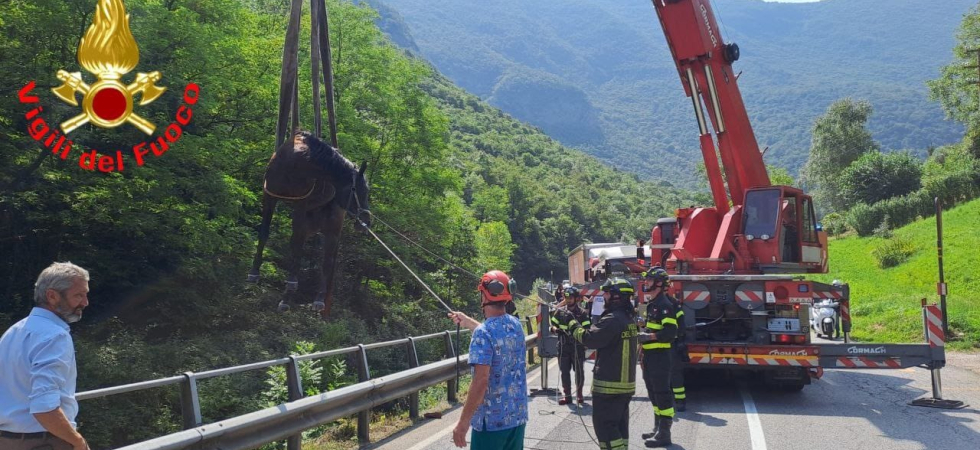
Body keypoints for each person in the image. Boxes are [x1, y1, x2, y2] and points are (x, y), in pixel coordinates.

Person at [0, 262, 91, 450]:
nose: (85, 302)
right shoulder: (55, 335)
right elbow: (44, 407)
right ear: (52, 296)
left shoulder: (13, 331)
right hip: (44, 442)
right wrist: (78, 442)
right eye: (78, 295)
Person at [555, 277, 639, 450]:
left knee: (605, 428)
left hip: (609, 386)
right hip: (625, 386)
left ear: (616, 296)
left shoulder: (612, 320)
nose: (604, 296)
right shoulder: (628, 318)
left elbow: (590, 339)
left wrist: (571, 322)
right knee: (619, 426)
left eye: (607, 293)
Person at [448, 270, 528, 450]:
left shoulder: (483, 333)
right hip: (517, 417)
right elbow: (496, 337)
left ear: (484, 296)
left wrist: (463, 423)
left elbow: (480, 381)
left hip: (491, 423)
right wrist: (468, 321)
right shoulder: (515, 325)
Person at [638, 268, 678, 448]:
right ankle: (657, 427)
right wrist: (642, 349)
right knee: (653, 392)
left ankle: (665, 434)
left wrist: (648, 337)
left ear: (659, 283)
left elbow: (670, 333)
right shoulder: (652, 304)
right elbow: (653, 327)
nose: (646, 282)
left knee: (662, 393)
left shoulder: (664, 305)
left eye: (649, 280)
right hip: (649, 356)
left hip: (660, 357)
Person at [549, 286, 591, 405]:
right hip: (563, 347)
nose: (568, 300)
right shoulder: (560, 311)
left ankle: (579, 395)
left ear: (576, 298)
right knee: (564, 372)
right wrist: (555, 329)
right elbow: (552, 325)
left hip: (577, 347)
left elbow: (587, 329)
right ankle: (567, 396)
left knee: (579, 372)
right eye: (566, 298)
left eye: (570, 298)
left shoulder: (582, 313)